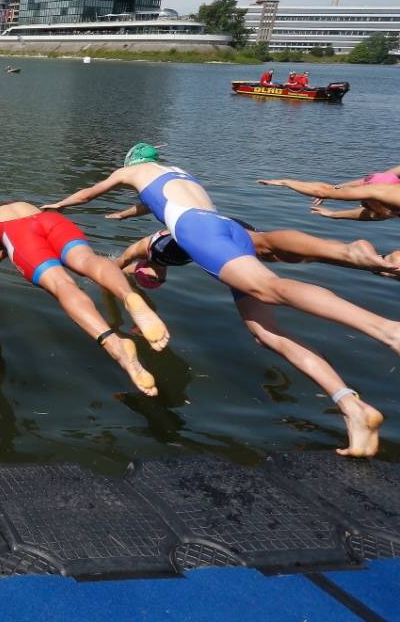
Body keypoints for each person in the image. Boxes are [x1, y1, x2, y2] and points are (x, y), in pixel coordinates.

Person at [46, 142, 400, 456]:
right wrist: (124, 214)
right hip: (228, 226)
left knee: (269, 287)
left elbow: (89, 194)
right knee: (265, 331)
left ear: (131, 162)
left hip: (197, 231)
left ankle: (387, 330)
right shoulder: (177, 173)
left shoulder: (132, 176)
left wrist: (58, 205)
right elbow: (150, 205)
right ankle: (352, 406)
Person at [0, 202, 165, 396]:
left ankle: (115, 344)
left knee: (61, 284)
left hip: (18, 234)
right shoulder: (21, 207)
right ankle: (129, 296)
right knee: (88, 260)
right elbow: (19, 237)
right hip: (50, 220)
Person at [115, 221, 400, 286]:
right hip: (215, 242)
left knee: (265, 245)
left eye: (149, 276)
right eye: (156, 279)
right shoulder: (156, 261)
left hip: (213, 231)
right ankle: (367, 263)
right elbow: (125, 269)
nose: (155, 276)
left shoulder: (146, 247)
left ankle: (350, 251)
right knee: (274, 255)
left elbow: (119, 264)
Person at [257, 174, 400, 221]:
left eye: (365, 203)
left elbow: (321, 191)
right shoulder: (390, 201)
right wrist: (334, 214)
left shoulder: (386, 193)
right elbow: (375, 214)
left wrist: (285, 182)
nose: (363, 206)